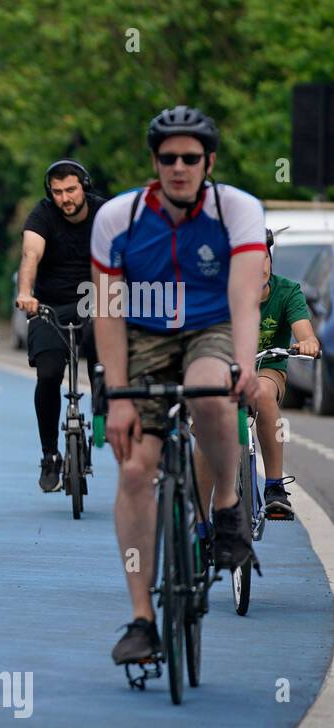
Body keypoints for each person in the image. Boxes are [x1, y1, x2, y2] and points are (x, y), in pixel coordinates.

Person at [91, 106, 267, 666]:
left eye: (191, 158)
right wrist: (116, 397)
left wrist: (242, 366)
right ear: (154, 163)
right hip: (142, 336)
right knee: (137, 468)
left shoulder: (235, 209)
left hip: (210, 329)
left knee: (209, 393)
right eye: (168, 158)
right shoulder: (117, 218)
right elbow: (107, 312)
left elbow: (244, 300)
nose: (179, 168)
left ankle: (229, 506)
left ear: (209, 162)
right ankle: (142, 619)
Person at [192, 228, 321, 520]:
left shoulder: (287, 290)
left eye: (262, 257)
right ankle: (199, 517)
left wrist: (308, 342)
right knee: (206, 426)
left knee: (262, 393)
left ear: (270, 258)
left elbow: (304, 330)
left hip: (266, 368)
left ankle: (275, 487)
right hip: (223, 369)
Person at [15, 160, 107, 491]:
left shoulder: (104, 213)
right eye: (57, 192)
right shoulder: (43, 215)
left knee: (105, 343)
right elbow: (30, 255)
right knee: (49, 373)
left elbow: (121, 255)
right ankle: (50, 454)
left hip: (96, 300)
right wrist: (26, 292)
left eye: (71, 190)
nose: (65, 198)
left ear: (84, 186)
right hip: (49, 304)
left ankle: (101, 409)